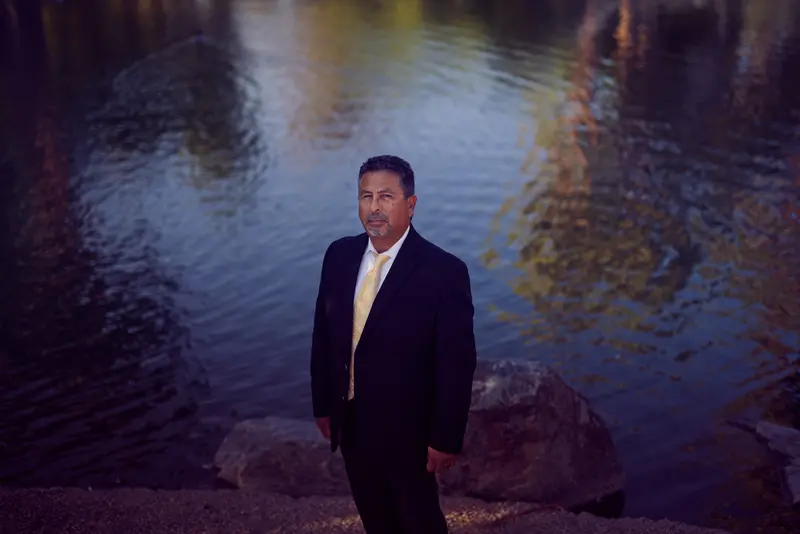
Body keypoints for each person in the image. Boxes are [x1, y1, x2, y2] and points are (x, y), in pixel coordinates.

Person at [310, 155, 478, 534]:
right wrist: (323, 404)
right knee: (376, 517)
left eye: (386, 196)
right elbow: (324, 335)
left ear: (411, 205)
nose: (374, 207)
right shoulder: (338, 256)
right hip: (351, 421)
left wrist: (445, 437)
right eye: (365, 196)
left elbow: (456, 363)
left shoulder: (444, 272)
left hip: (409, 430)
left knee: (418, 520)